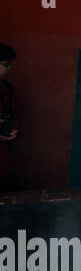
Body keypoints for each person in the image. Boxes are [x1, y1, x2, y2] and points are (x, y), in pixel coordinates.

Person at [0, 44, 21, 194]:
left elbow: (17, 110)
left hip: (4, 163)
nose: (9, 68)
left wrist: (14, 127)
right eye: (6, 64)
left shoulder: (6, 88)